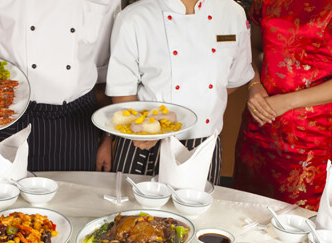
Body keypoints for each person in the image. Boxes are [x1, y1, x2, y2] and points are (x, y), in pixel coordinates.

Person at [233, 0, 332, 210]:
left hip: (304, 137)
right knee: (242, 213)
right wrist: (253, 85)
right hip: (258, 121)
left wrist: (287, 101)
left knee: (293, 225)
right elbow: (252, 47)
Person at [0, 0, 121, 172]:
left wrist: (107, 136)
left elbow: (104, 69)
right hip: (12, 114)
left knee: (78, 196)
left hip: (80, 122)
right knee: (9, 195)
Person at [106, 0, 254, 185]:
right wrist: (143, 131)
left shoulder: (233, 12)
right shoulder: (135, 16)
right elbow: (122, 89)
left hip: (203, 143)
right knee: (133, 212)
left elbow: (233, 80)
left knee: (197, 212)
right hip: (146, 142)